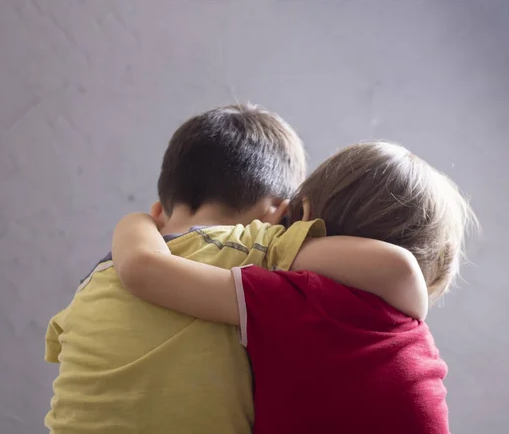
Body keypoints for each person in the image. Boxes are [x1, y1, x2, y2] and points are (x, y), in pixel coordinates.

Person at [44, 106, 426, 434]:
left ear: (160, 210)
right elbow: (394, 269)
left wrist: (135, 223)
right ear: (278, 212)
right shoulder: (259, 247)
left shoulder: (94, 281)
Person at [112, 141, 478, 434]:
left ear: (301, 214)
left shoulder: (301, 300)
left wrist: (138, 222)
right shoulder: (406, 329)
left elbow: (145, 271)